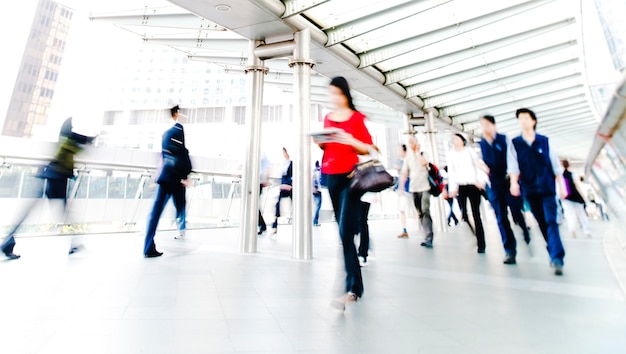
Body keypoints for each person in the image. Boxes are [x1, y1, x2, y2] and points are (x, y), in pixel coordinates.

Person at [312, 76, 374, 307]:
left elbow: (367, 148)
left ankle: (352, 289)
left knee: (345, 233)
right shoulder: (328, 117)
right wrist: (321, 141)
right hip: (331, 176)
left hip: (351, 178)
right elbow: (326, 145)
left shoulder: (356, 118)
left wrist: (349, 139)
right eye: (330, 94)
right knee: (343, 232)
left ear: (345, 94)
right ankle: (355, 285)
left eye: (336, 93)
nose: (333, 98)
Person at [1, 117, 94, 260]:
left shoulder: (67, 141)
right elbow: (80, 144)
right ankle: (75, 243)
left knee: (34, 211)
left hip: (49, 177)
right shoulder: (71, 142)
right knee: (64, 213)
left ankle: (8, 240)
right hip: (56, 180)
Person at [508, 108, 567, 275]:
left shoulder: (545, 141)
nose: (523, 121)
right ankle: (553, 250)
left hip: (548, 189)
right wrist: (514, 183)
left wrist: (562, 187)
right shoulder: (515, 143)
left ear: (533, 121)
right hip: (530, 190)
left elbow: (555, 166)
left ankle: (557, 258)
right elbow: (513, 166)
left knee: (551, 221)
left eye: (526, 118)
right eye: (520, 119)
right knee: (542, 222)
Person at [479, 114, 531, 265]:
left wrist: (514, 179)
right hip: (494, 185)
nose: (484, 128)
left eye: (487, 124)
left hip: (508, 182)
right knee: (501, 218)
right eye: (482, 125)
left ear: (493, 125)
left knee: (515, 212)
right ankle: (509, 251)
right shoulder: (482, 143)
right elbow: (484, 162)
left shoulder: (504, 139)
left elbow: (512, 159)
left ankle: (524, 229)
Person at [143, 105, 192, 258]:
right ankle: (150, 246)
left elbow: (165, 157)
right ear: (176, 114)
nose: (186, 116)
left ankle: (148, 246)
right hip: (173, 179)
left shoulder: (167, 133)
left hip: (166, 178)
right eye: (183, 113)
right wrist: (185, 174)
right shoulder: (177, 131)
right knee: (176, 207)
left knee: (156, 213)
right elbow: (180, 156)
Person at [447, 133, 488, 253]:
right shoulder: (451, 155)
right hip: (461, 186)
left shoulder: (469, 151)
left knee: (476, 214)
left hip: (473, 185)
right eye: (453, 139)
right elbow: (452, 172)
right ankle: (474, 234)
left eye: (457, 139)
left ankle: (481, 243)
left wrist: (480, 181)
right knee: (464, 215)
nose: (455, 141)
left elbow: (478, 166)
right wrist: (452, 188)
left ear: (462, 140)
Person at [399, 136, 434, 248]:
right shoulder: (407, 158)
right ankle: (426, 234)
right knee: (419, 212)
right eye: (409, 142)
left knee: (425, 210)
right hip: (414, 188)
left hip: (425, 187)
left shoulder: (423, 154)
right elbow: (404, 173)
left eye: (413, 142)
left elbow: (425, 164)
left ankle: (429, 237)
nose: (411, 144)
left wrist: (417, 152)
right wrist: (401, 187)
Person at [561, 160, 591, 238]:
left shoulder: (560, 175)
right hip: (576, 196)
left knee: (570, 214)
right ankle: (587, 231)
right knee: (581, 214)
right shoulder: (572, 174)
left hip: (566, 197)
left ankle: (572, 230)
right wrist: (583, 196)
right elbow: (577, 186)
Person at [270, 147, 293, 235]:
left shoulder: (291, 163)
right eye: (283, 153)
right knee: (277, 205)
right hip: (283, 187)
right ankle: (274, 226)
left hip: (290, 187)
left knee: (296, 206)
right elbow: (283, 176)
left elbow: (294, 175)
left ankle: (302, 225)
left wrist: (291, 185)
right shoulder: (283, 164)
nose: (284, 154)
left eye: (285, 152)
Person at [395, 144, 414, 238]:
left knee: (415, 209)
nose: (398, 152)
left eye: (399, 150)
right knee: (402, 209)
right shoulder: (400, 161)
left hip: (409, 188)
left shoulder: (409, 161)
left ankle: (423, 228)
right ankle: (404, 230)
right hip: (405, 189)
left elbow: (405, 175)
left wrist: (400, 188)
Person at [258, 152, 271, 235]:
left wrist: (266, 179)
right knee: (253, 206)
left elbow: (268, 168)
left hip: (258, 183)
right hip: (255, 182)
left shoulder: (262, 154)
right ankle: (262, 224)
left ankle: (262, 225)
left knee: (254, 206)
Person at [312, 160, 322, 226]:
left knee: (316, 206)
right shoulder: (318, 172)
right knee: (318, 206)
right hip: (317, 191)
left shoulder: (314, 172)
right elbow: (319, 182)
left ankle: (315, 220)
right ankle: (315, 221)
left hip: (313, 191)